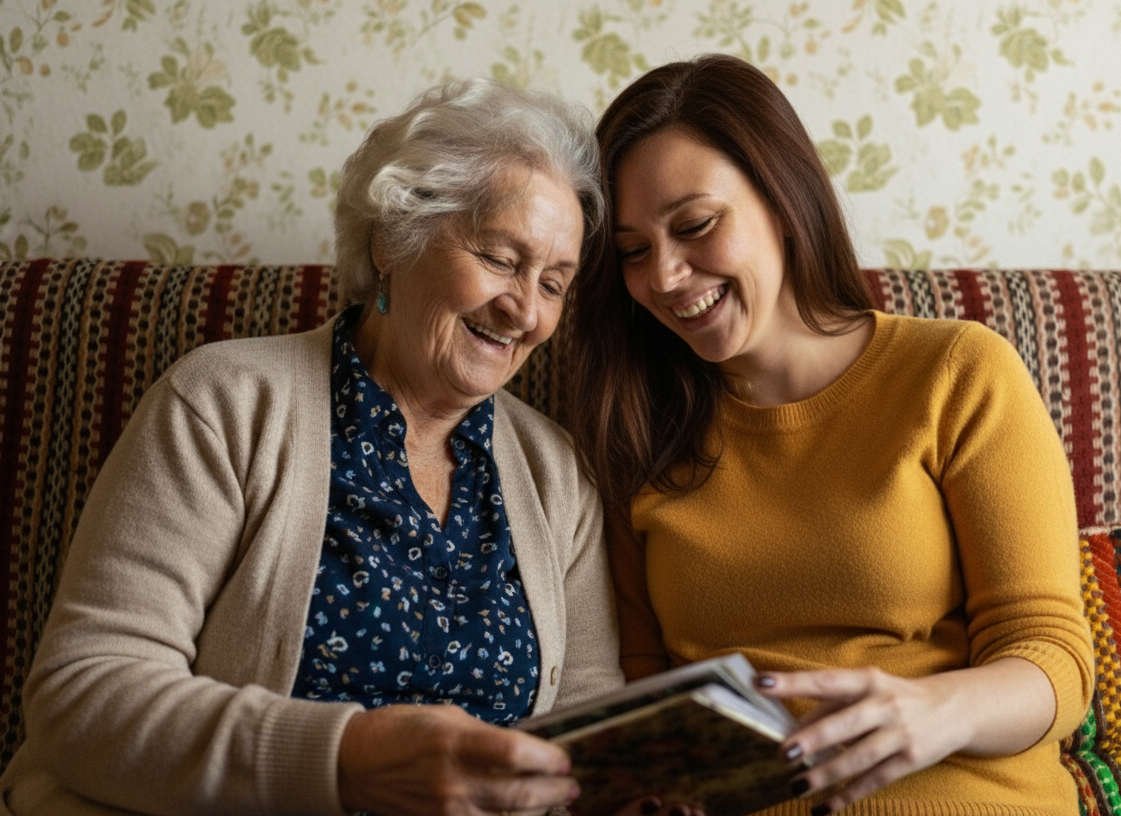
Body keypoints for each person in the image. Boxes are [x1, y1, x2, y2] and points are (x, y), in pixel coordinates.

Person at [0, 77, 633, 816]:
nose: (524, 310)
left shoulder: (555, 474)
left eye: (554, 283)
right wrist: (345, 761)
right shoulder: (224, 403)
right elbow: (84, 693)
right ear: (392, 240)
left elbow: (590, 729)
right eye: (499, 258)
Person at [568, 53, 1094, 816]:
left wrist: (935, 712)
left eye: (694, 226)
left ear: (782, 199)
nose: (666, 277)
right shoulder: (632, 426)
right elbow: (642, 680)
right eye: (632, 252)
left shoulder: (955, 371)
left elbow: (1051, 657)